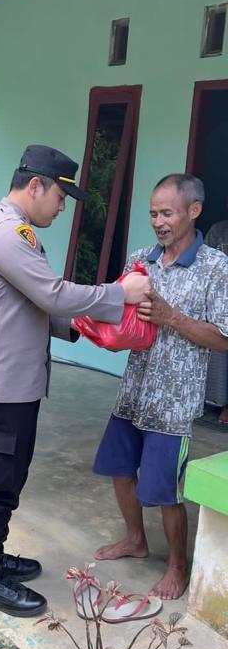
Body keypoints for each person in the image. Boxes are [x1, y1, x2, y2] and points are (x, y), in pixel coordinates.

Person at [0, 144, 150, 617]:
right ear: (35, 185)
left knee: (9, 475)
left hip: (13, 381)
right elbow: (50, 292)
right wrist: (118, 295)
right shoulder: (5, 231)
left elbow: (33, 303)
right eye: (61, 197)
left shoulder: (18, 233)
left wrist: (81, 327)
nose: (63, 208)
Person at [94, 174, 228, 600]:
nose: (158, 221)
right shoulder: (141, 259)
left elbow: (223, 338)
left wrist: (172, 317)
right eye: (153, 213)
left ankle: (177, 565)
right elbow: (118, 310)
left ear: (194, 211)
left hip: (174, 403)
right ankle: (135, 540)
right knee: (119, 471)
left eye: (167, 212)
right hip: (133, 392)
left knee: (166, 491)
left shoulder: (215, 267)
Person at [204, 208, 228, 425]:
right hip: (221, 300)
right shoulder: (218, 231)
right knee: (218, 352)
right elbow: (204, 265)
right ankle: (220, 402)